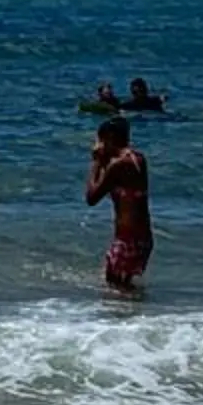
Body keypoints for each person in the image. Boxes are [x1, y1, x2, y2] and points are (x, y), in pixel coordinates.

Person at [86, 117, 152, 293]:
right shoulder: (138, 159)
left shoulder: (118, 165)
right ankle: (136, 317)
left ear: (109, 137)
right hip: (142, 237)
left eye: (100, 140)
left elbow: (91, 197)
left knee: (116, 289)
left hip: (127, 239)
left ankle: (129, 319)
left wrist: (96, 163)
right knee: (123, 290)